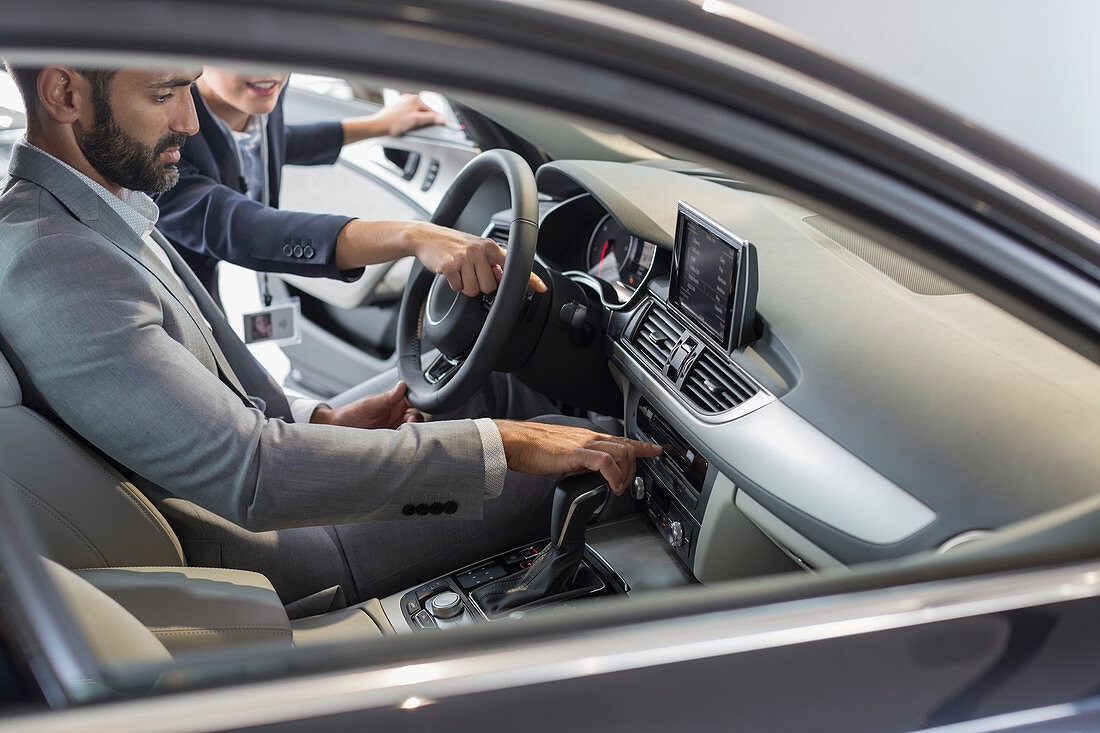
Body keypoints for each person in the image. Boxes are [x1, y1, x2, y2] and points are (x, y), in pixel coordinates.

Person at [0, 65, 660, 605]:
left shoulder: (94, 214)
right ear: (65, 95)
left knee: (497, 379)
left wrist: (323, 418)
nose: (190, 121)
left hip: (257, 499)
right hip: (270, 551)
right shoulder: (55, 264)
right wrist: (510, 445)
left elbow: (212, 374)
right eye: (164, 94)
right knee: (594, 472)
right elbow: (254, 475)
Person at [154, 67, 532, 301]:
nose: (271, 69)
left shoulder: (258, 94)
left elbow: (276, 141)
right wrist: (413, 237)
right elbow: (238, 226)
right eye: (247, 53)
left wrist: (378, 125)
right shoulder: (162, 142)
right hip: (177, 293)